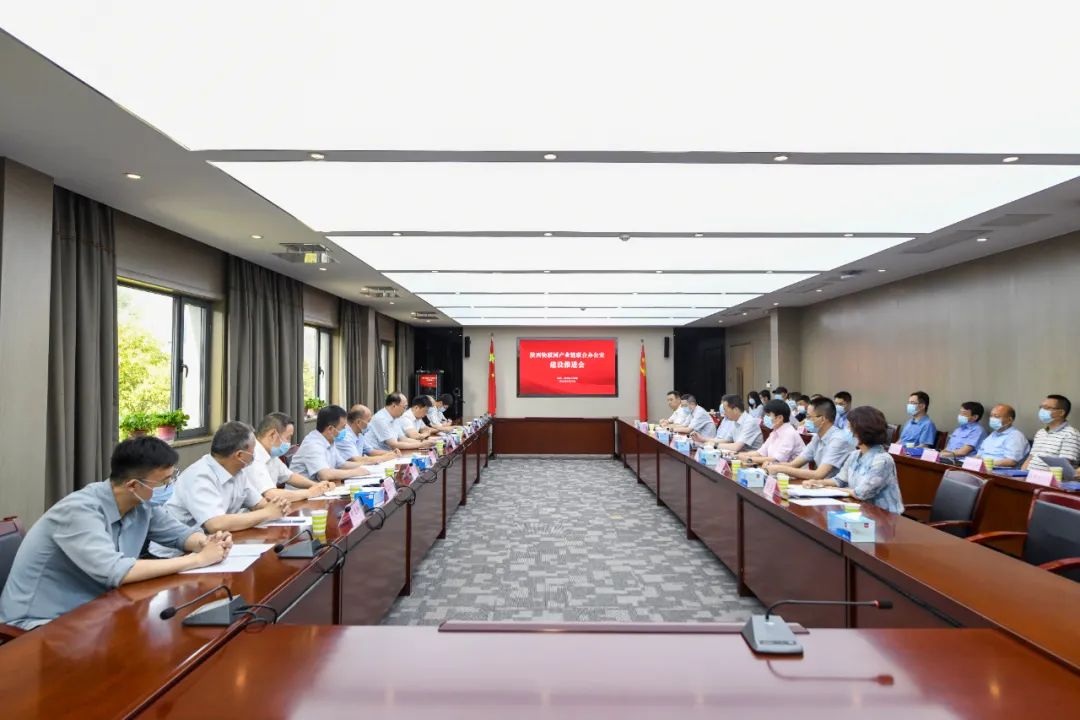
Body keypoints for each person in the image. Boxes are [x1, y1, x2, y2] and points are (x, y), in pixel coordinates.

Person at [0, 437, 233, 630]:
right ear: (133, 485)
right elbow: (117, 571)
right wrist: (198, 559)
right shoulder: (79, 511)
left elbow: (179, 534)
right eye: (164, 481)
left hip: (96, 609)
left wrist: (207, 542)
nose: (170, 485)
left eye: (172, 477)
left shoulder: (141, 504)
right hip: (40, 622)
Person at [155, 423, 290, 557]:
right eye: (253, 451)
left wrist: (277, 506)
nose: (254, 455)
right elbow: (216, 524)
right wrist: (267, 513)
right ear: (240, 455)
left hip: (214, 546)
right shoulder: (200, 476)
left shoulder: (238, 472)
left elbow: (259, 504)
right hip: (175, 554)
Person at [804, 406, 904, 513]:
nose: (846, 431)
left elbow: (861, 493)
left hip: (884, 516)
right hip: (860, 510)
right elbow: (840, 480)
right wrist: (818, 483)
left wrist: (832, 489)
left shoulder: (883, 460)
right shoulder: (854, 455)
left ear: (863, 430)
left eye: (849, 427)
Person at [241, 413, 334, 502]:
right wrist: (309, 493)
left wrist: (317, 486)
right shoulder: (253, 455)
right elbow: (270, 494)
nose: (289, 443)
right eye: (288, 438)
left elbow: (289, 476)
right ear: (272, 435)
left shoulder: (271, 455)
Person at [763, 398, 855, 481]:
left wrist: (780, 468)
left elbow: (819, 474)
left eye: (809, 417)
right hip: (822, 486)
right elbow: (794, 464)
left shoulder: (838, 440)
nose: (806, 420)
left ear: (823, 419)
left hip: (838, 489)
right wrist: (773, 465)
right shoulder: (817, 437)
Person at [290, 405, 373, 482]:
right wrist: (355, 472)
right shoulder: (313, 444)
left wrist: (368, 467)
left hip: (320, 488)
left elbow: (342, 464)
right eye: (343, 427)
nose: (345, 430)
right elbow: (325, 475)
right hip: (301, 491)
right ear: (330, 429)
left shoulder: (330, 440)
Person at [1023, 394, 1080, 471]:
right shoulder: (1040, 432)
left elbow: (1063, 467)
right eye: (1041, 407)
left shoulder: (1071, 434)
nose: (1042, 410)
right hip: (1028, 476)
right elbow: (1030, 458)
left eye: (1047, 408)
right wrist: (1021, 474)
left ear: (1061, 412)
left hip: (1049, 478)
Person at [738, 399, 805, 464]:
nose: (765, 418)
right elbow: (760, 453)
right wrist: (738, 455)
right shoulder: (775, 432)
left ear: (780, 418)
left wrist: (749, 459)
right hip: (776, 469)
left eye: (768, 415)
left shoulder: (789, 433)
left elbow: (776, 460)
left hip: (791, 471)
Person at [336, 405, 400, 464]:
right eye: (369, 421)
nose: (370, 424)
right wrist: (385, 458)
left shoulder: (359, 434)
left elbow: (370, 451)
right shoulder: (345, 436)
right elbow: (356, 460)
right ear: (358, 422)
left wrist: (391, 453)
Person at [369, 393, 434, 452]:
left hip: (391, 453)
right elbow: (394, 445)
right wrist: (420, 445)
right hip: (377, 456)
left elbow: (402, 439)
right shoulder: (381, 419)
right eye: (404, 407)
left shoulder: (395, 418)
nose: (405, 410)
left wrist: (423, 442)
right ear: (394, 406)